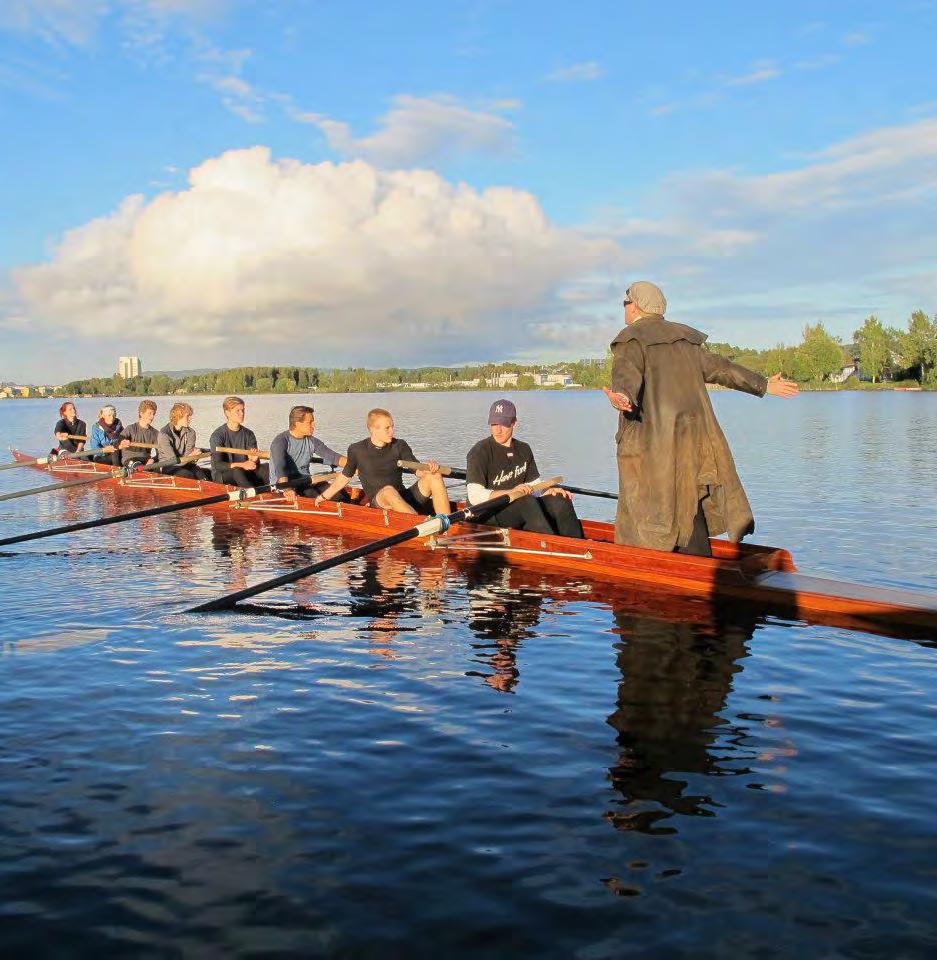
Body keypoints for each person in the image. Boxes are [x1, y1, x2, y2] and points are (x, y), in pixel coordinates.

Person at [603, 280, 798, 557]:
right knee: (688, 495)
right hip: (693, 438)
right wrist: (763, 384)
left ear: (636, 306)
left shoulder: (630, 338)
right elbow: (722, 368)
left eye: (625, 302)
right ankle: (700, 560)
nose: (624, 308)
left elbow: (626, 377)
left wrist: (622, 398)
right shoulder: (685, 340)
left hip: (652, 441)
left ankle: (652, 565)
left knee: (646, 504)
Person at [465, 399, 583, 538]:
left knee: (559, 499)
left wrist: (548, 491)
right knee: (526, 501)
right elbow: (475, 496)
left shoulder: (524, 449)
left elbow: (534, 487)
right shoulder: (480, 451)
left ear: (514, 423)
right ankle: (552, 549)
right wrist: (511, 492)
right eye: (494, 424)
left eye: (503, 424)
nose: (498, 429)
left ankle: (579, 547)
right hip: (488, 514)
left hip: (520, 507)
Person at [314, 408, 450, 515]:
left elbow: (418, 471)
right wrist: (323, 497)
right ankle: (420, 526)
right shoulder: (357, 449)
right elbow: (344, 477)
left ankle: (446, 523)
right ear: (373, 429)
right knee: (388, 491)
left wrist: (429, 469)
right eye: (387, 428)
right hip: (379, 501)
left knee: (434, 476)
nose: (392, 431)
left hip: (403, 499)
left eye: (392, 426)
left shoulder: (400, 445)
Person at [268, 405, 350, 500]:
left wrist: (355, 466)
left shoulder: (312, 441)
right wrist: (287, 489)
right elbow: (280, 468)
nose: (314, 425)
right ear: (297, 423)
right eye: (310, 422)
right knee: (314, 495)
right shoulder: (280, 441)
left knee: (340, 496)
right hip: (283, 484)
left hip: (305, 480)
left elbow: (334, 457)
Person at [209, 396, 269, 488]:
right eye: (238, 411)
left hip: (244, 471)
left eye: (243, 410)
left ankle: (278, 493)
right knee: (238, 471)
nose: (242, 413)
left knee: (266, 467)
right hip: (223, 474)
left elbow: (254, 464)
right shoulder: (217, 435)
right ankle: (253, 497)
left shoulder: (249, 434)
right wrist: (243, 465)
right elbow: (218, 465)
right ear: (227, 413)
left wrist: (254, 460)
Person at [156, 402, 210, 480]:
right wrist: (191, 456)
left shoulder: (191, 433)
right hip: (169, 466)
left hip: (186, 463)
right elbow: (173, 461)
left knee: (203, 476)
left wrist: (194, 457)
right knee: (187, 475)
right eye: (187, 416)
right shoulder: (164, 434)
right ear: (178, 417)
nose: (190, 419)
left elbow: (189, 456)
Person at [118, 400, 159, 466]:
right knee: (138, 466)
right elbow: (120, 440)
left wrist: (153, 459)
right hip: (130, 459)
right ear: (141, 413)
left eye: (153, 414)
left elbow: (160, 452)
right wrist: (123, 441)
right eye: (150, 413)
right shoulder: (130, 429)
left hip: (146, 460)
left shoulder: (155, 433)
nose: (152, 417)